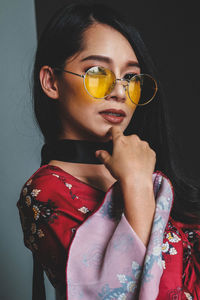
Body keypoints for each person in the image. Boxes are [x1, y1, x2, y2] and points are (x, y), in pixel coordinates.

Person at [17, 2, 200, 299]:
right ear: (51, 82)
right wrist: (137, 184)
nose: (118, 91)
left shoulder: (151, 172)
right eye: (97, 72)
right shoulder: (45, 192)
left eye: (130, 77)